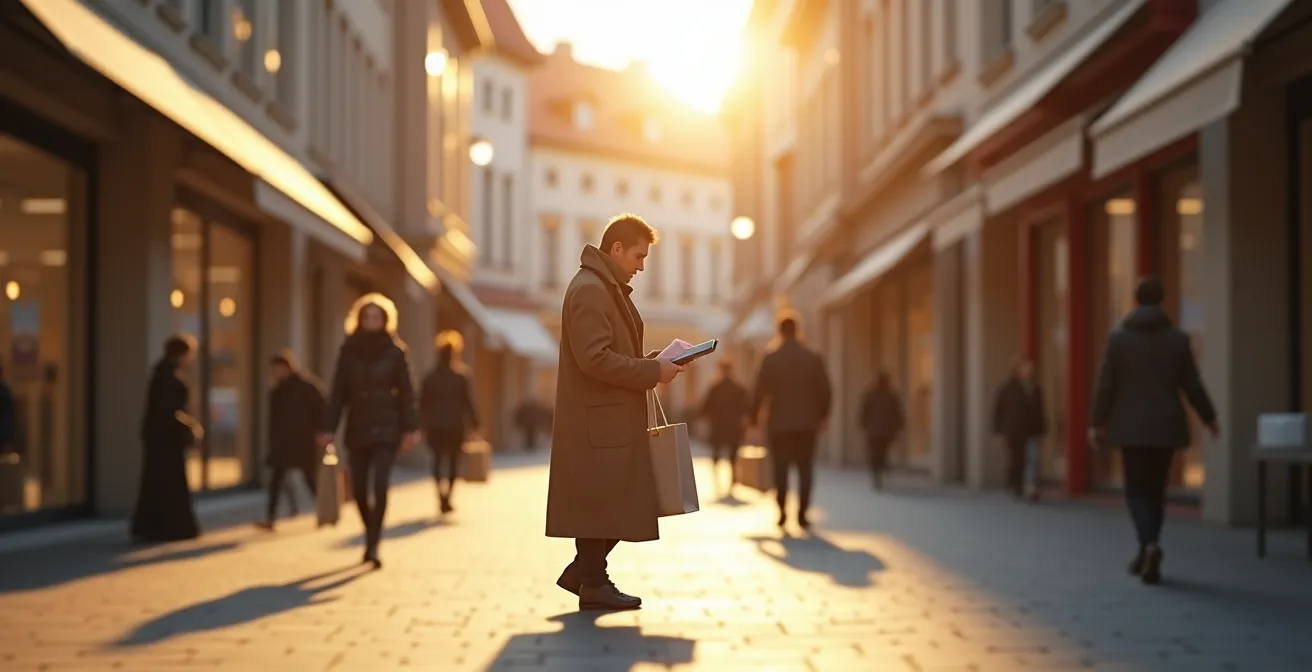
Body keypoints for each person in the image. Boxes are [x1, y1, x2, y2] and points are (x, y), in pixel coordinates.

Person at [545, 213, 683, 611]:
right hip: (598, 420)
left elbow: (608, 354)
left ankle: (586, 574)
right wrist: (651, 371)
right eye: (639, 256)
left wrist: (656, 362)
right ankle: (592, 581)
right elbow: (595, 358)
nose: (642, 266)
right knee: (605, 500)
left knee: (613, 497)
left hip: (606, 418)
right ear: (616, 248)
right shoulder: (591, 289)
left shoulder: (603, 286)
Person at [1089, 276, 1218, 585]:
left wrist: (1097, 422)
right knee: (1156, 490)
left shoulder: (1118, 339)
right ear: (1162, 302)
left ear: (1135, 302)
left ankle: (1148, 544)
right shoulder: (1177, 339)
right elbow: (1192, 384)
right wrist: (1209, 417)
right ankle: (1148, 547)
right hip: (1165, 426)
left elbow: (1105, 385)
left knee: (1136, 490)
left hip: (1130, 427)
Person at [318, 293, 419, 569]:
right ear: (359, 319)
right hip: (358, 426)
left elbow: (407, 393)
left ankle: (373, 545)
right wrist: (328, 427)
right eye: (367, 316)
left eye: (377, 317)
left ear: (385, 320)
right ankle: (370, 531)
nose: (371, 321)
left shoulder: (396, 351)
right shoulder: (348, 351)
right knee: (359, 490)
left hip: (387, 427)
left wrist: (410, 428)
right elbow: (338, 392)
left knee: (380, 484)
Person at [751, 312, 832, 529]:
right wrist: (823, 416)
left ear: (779, 332)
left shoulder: (771, 358)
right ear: (798, 330)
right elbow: (825, 390)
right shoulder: (813, 358)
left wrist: (753, 420)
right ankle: (803, 514)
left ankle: (782, 512)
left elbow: (759, 391)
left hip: (779, 424)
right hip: (807, 424)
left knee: (781, 468)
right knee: (805, 469)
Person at [131, 334, 203, 543]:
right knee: (168, 483)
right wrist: (190, 426)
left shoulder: (161, 374)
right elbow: (169, 410)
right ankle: (169, 528)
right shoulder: (167, 377)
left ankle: (154, 527)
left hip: (160, 437)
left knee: (157, 481)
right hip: (166, 439)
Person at [258, 350, 325, 531]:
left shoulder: (306, 387)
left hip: (303, 442)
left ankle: (323, 512)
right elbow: (273, 421)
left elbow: (323, 409)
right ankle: (271, 518)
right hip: (281, 443)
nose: (275, 373)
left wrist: (321, 432)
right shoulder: (276, 391)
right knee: (276, 481)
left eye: (278, 369)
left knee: (309, 479)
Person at [419, 330, 479, 516]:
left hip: (434, 425)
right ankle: (448, 497)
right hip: (455, 425)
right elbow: (468, 402)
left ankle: (440, 495)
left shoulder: (430, 377)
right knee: (453, 461)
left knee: (437, 461)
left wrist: (419, 425)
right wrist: (475, 424)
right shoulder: (461, 376)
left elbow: (422, 404)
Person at [992, 358, 1048, 502]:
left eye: (1031, 367)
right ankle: (1015, 485)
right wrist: (999, 432)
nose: (1029, 370)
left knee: (1033, 458)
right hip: (1014, 431)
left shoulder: (1035, 388)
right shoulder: (1007, 388)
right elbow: (998, 411)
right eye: (1026, 367)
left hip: (1031, 431)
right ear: (1018, 369)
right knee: (1017, 460)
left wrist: (1042, 429)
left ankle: (1031, 488)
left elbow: (1040, 411)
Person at [698, 361, 750, 494]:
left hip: (718, 427)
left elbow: (705, 408)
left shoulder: (715, 388)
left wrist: (706, 420)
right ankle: (731, 483)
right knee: (733, 456)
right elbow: (746, 408)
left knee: (716, 455)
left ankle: (718, 482)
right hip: (733, 427)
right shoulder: (738, 388)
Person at [858, 370, 904, 490]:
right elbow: (898, 413)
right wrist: (899, 426)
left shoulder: (870, 394)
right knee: (883, 451)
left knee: (874, 452)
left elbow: (863, 411)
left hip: (873, 430)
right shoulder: (891, 395)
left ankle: (877, 472)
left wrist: (863, 424)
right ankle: (880, 469)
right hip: (886, 431)